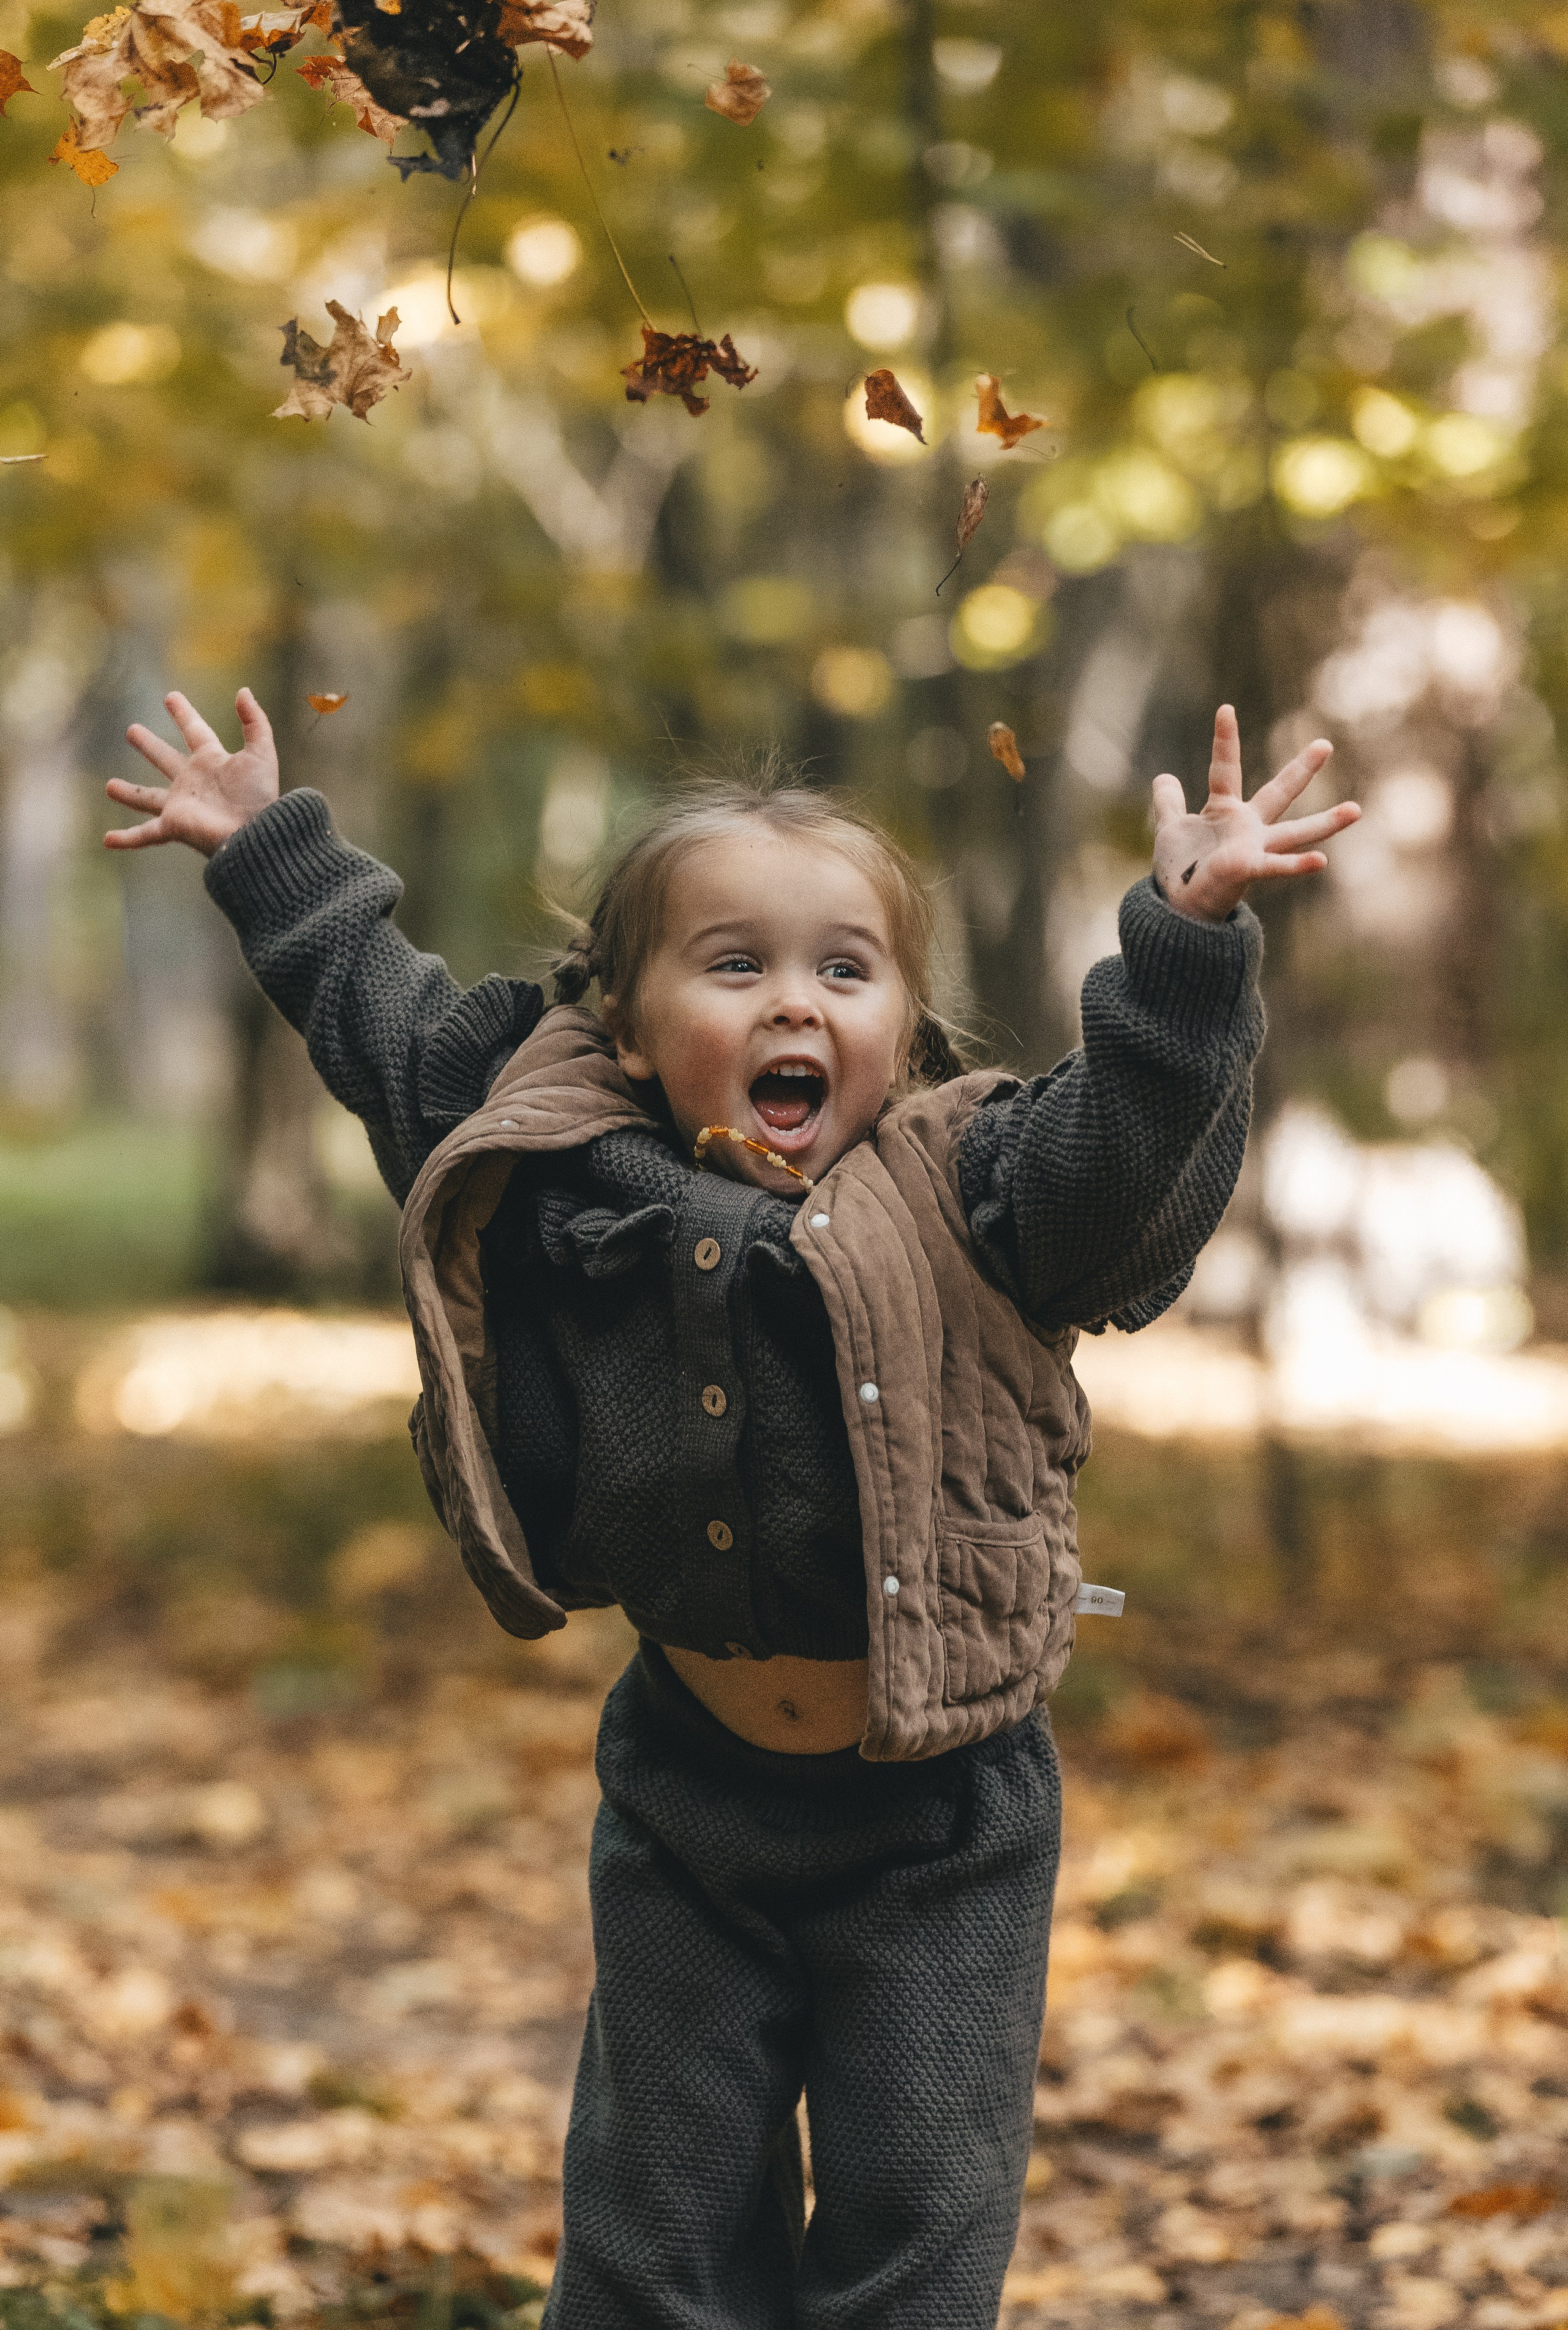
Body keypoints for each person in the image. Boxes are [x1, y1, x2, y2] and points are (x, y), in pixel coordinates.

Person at [105, 690, 1357, 2330]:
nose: (797, 1003)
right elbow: (391, 1026)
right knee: (655, 2222)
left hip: (940, 1818)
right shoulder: (569, 1164)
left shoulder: (974, 1184)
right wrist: (270, 851)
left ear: (905, 1025)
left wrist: (1186, 949)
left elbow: (1125, 1162)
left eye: (846, 969)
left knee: (919, 2213)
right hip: (689, 1796)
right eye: (736, 964)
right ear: (626, 1022)